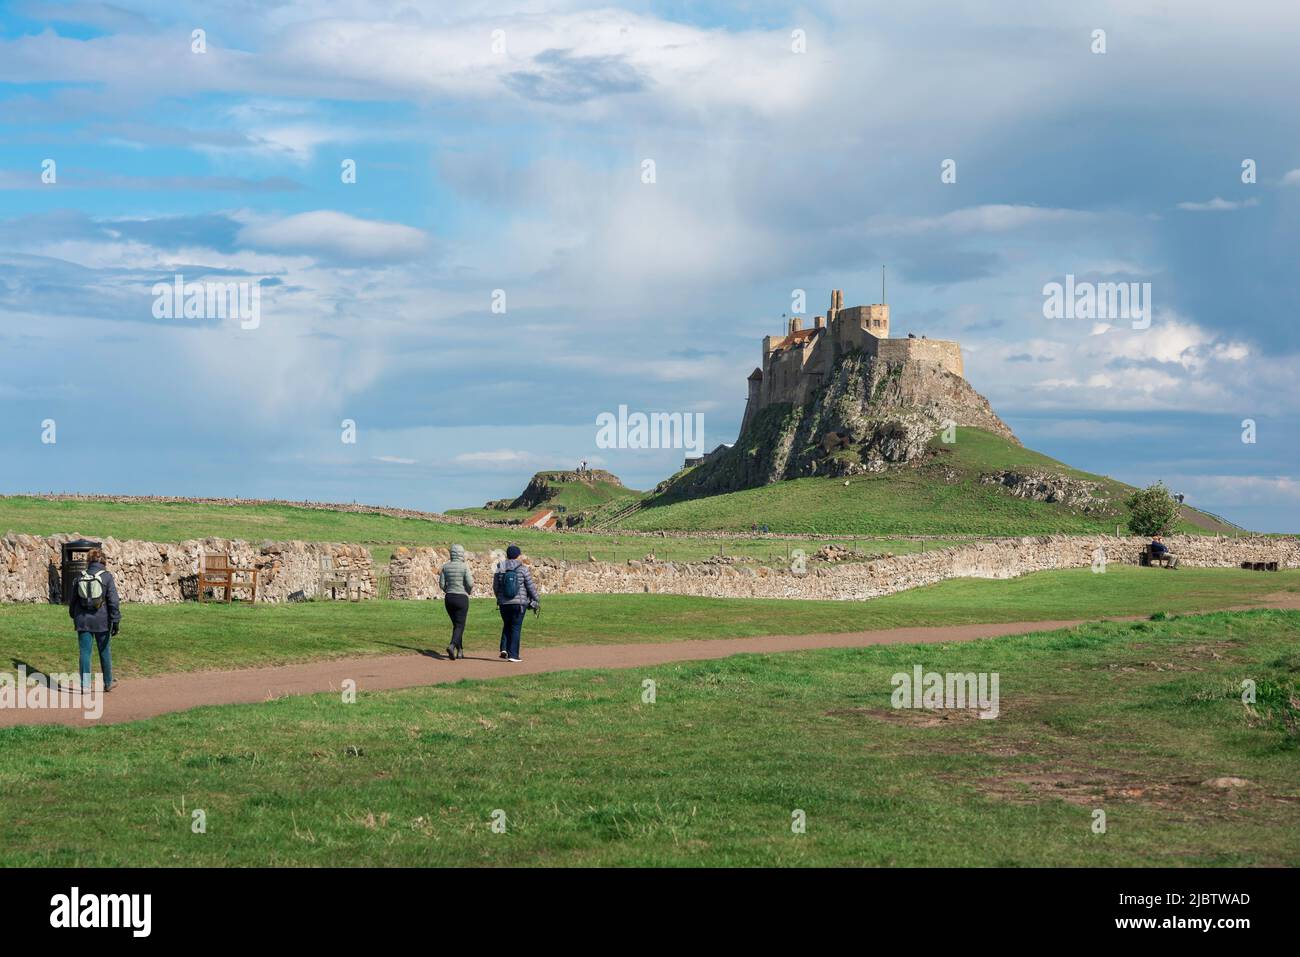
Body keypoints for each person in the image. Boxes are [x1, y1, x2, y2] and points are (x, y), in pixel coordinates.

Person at [69, 547, 120, 693]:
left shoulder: (80, 575)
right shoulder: (107, 577)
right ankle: (108, 682)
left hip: (83, 620)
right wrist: (116, 620)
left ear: (89, 561)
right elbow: (113, 601)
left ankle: (85, 686)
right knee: (104, 650)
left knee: (85, 652)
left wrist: (74, 616)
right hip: (102, 620)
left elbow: (73, 600)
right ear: (102, 560)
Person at [493, 545, 539, 662]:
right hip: (519, 604)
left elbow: (496, 586)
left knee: (507, 625)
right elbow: (530, 587)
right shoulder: (523, 569)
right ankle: (513, 655)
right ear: (518, 555)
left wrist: (499, 598)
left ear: (507, 555)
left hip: (504, 603)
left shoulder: (500, 568)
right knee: (516, 627)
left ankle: (505, 649)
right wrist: (536, 599)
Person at [438, 543, 474, 660]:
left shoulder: (445, 567)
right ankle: (452, 645)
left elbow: (441, 584)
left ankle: (460, 651)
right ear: (461, 554)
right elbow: (470, 583)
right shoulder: (464, 567)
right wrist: (468, 591)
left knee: (457, 625)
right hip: (461, 598)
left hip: (449, 598)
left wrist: (448, 590)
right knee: (460, 625)